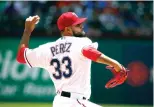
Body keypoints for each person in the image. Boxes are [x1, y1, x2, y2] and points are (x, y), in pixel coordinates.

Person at [16, 12, 128, 107]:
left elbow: (21, 56)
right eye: (77, 25)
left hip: (60, 102)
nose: (81, 26)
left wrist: (27, 31)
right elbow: (89, 52)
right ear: (68, 29)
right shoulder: (81, 42)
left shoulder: (47, 48)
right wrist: (116, 64)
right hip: (75, 102)